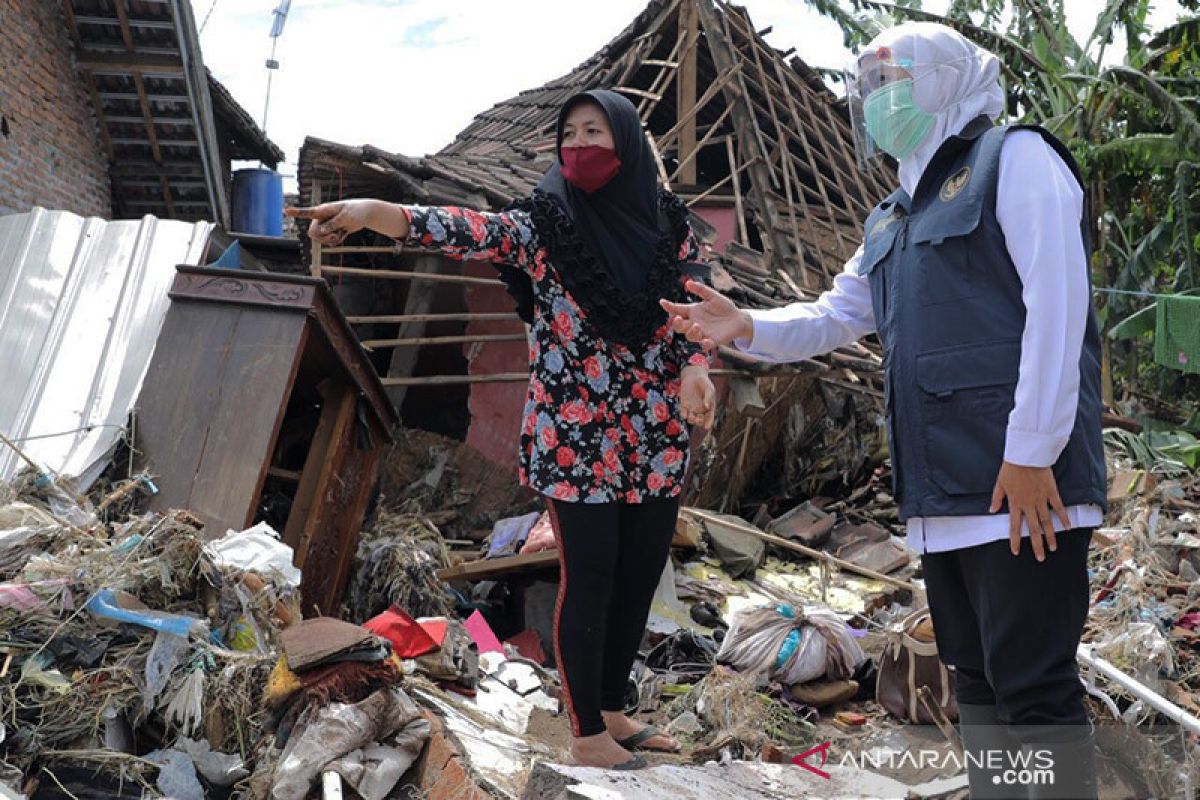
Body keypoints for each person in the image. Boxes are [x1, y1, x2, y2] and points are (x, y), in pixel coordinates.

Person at [662, 23, 1105, 799]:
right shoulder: (891, 215)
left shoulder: (1016, 159)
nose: (877, 100)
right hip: (942, 495)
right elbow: (835, 315)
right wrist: (748, 327)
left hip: (1019, 485)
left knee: (1034, 689)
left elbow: (1058, 309)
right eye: (867, 86)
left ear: (947, 80)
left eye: (893, 80)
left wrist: (1033, 452)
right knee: (975, 686)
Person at [288, 89, 715, 771]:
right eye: (568, 133)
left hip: (656, 430)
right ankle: (586, 733)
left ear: (628, 142)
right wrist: (379, 213)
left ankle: (611, 706)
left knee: (639, 573)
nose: (579, 145)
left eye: (595, 132)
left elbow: (695, 301)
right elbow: (464, 228)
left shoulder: (670, 227)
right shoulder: (546, 227)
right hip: (576, 438)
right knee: (594, 571)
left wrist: (696, 368)